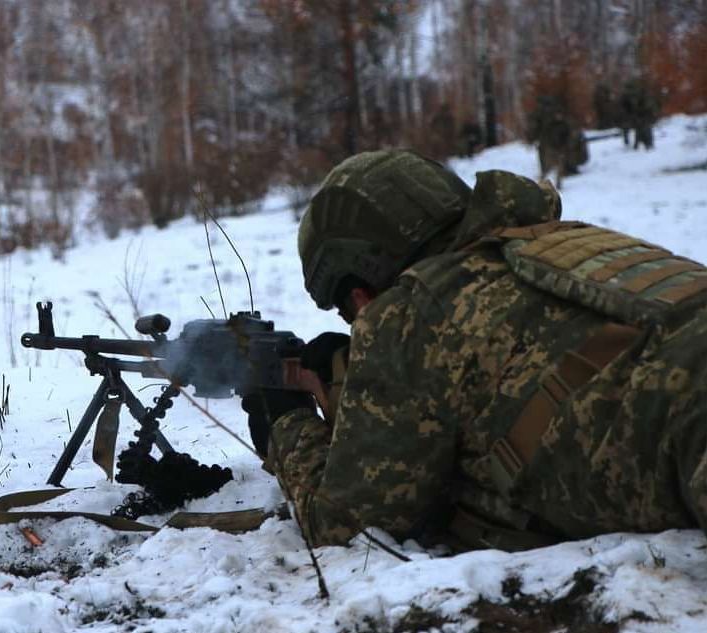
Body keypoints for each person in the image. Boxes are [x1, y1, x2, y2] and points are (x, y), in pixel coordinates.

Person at [242, 150, 707, 552]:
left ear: (362, 293)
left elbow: (345, 525)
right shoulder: (563, 240)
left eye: (349, 312)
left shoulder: (408, 313)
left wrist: (285, 423)